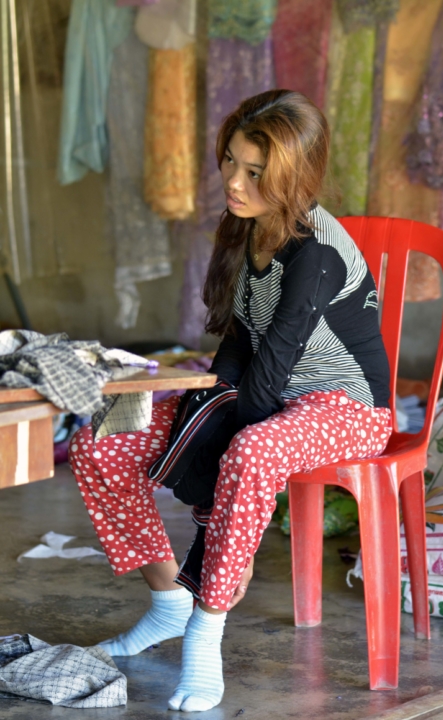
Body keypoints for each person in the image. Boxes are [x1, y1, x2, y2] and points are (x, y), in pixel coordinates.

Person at [69, 89, 392, 713]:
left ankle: (205, 630)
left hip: (346, 408)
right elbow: (241, 343)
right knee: (101, 438)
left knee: (250, 449)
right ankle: (169, 601)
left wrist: (218, 473)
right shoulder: (248, 227)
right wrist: (206, 411)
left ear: (296, 176)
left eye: (255, 172)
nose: (235, 183)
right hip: (268, 395)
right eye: (231, 162)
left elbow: (272, 370)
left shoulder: (316, 253)